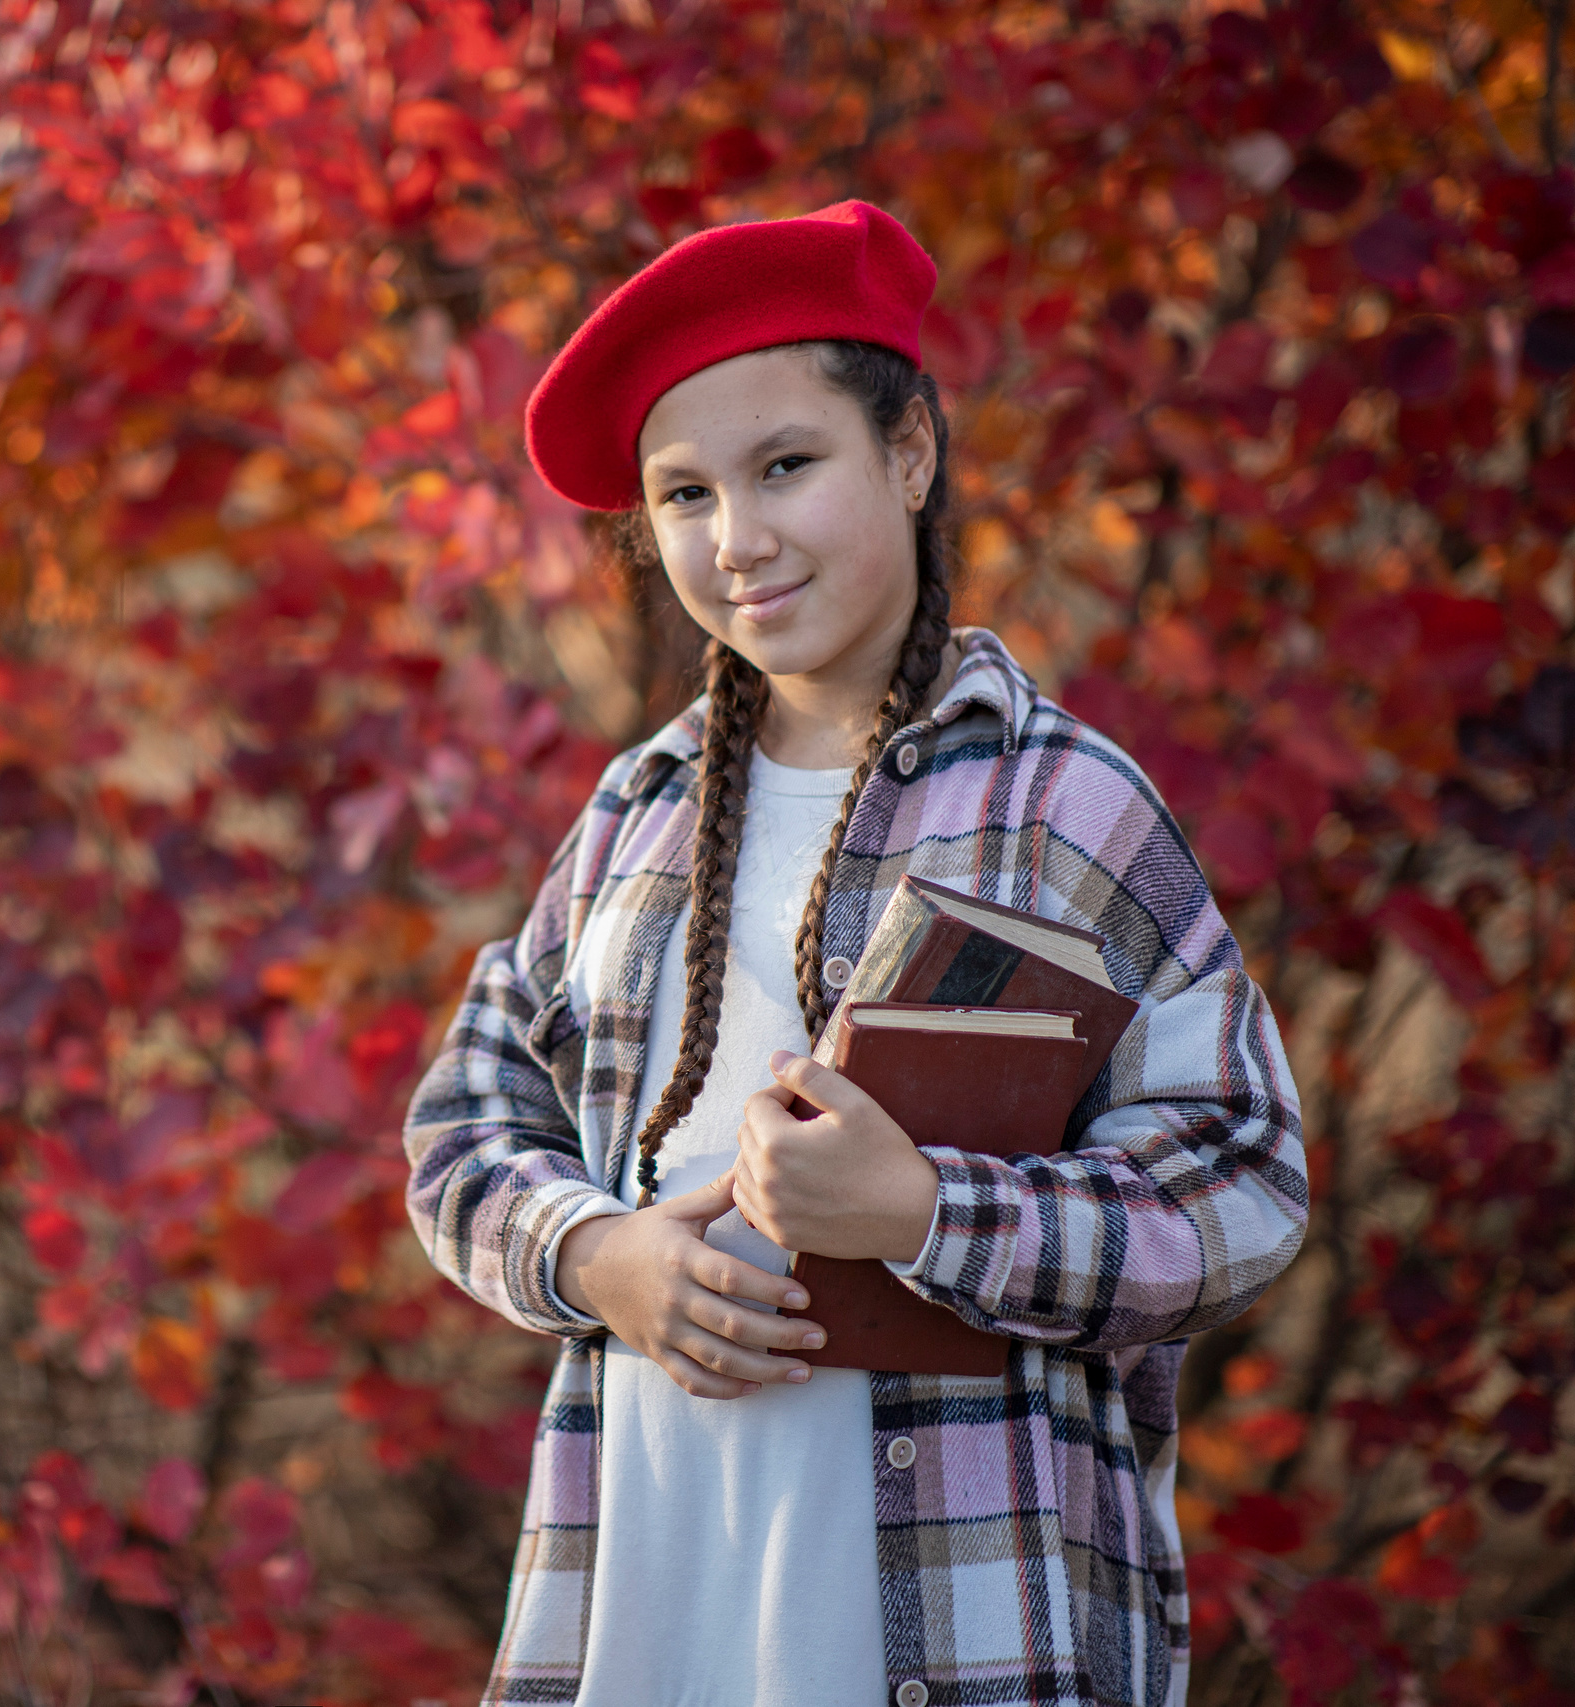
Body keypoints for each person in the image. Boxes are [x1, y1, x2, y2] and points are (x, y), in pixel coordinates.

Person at [400, 200, 1308, 1707]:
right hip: (656, 1568)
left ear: (909, 455)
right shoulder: (638, 814)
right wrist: (596, 1255)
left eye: (785, 466)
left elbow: (1243, 1184)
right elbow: (461, 1132)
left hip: (953, 1595)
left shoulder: (1062, 804)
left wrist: (922, 1209)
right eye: (681, 495)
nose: (735, 538)